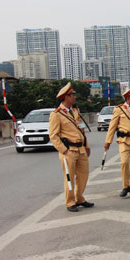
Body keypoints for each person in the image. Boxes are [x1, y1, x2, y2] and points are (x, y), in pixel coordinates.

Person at [49, 82, 94, 212]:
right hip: (69, 150)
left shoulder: (75, 111)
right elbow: (53, 136)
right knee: (69, 177)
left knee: (83, 175)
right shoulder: (56, 114)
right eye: (72, 95)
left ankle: (80, 198)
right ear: (65, 97)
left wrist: (86, 145)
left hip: (81, 149)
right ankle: (70, 202)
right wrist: (64, 150)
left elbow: (82, 130)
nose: (74, 97)